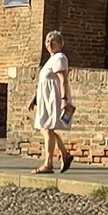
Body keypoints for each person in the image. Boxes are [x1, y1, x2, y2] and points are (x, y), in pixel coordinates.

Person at [30, 30, 76, 175]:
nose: (49, 43)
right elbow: (43, 82)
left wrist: (64, 100)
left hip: (53, 98)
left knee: (48, 128)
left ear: (60, 44)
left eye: (53, 40)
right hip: (45, 98)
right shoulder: (50, 60)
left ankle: (48, 164)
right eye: (47, 41)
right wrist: (34, 99)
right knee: (46, 129)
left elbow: (63, 80)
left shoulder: (60, 58)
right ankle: (65, 154)